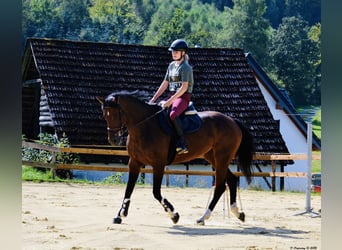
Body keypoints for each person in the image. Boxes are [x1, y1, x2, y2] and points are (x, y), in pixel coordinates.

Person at [149, 39, 194, 154]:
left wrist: (168, 102)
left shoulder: (185, 68)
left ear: (183, 53)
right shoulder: (171, 66)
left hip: (183, 97)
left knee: (173, 115)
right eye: (173, 51)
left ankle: (182, 143)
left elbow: (183, 88)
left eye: (176, 51)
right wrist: (154, 98)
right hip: (172, 95)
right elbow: (165, 83)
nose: (173, 53)